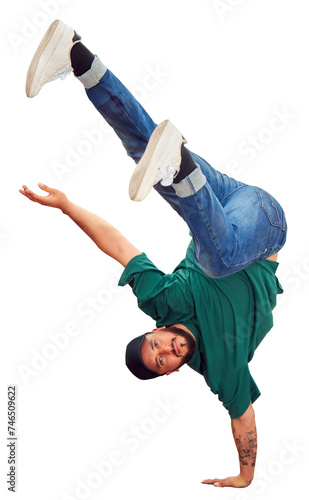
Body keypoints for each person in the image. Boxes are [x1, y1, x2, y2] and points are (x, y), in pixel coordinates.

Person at [20, 20, 287, 489]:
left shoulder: (161, 299)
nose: (167, 350)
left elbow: (118, 245)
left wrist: (66, 207)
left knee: (141, 149)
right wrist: (246, 477)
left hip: (223, 197)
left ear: (155, 329)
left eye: (156, 345)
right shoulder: (223, 371)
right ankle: (178, 167)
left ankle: (79, 60)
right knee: (216, 258)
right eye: (164, 360)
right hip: (264, 225)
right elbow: (243, 422)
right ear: (174, 370)